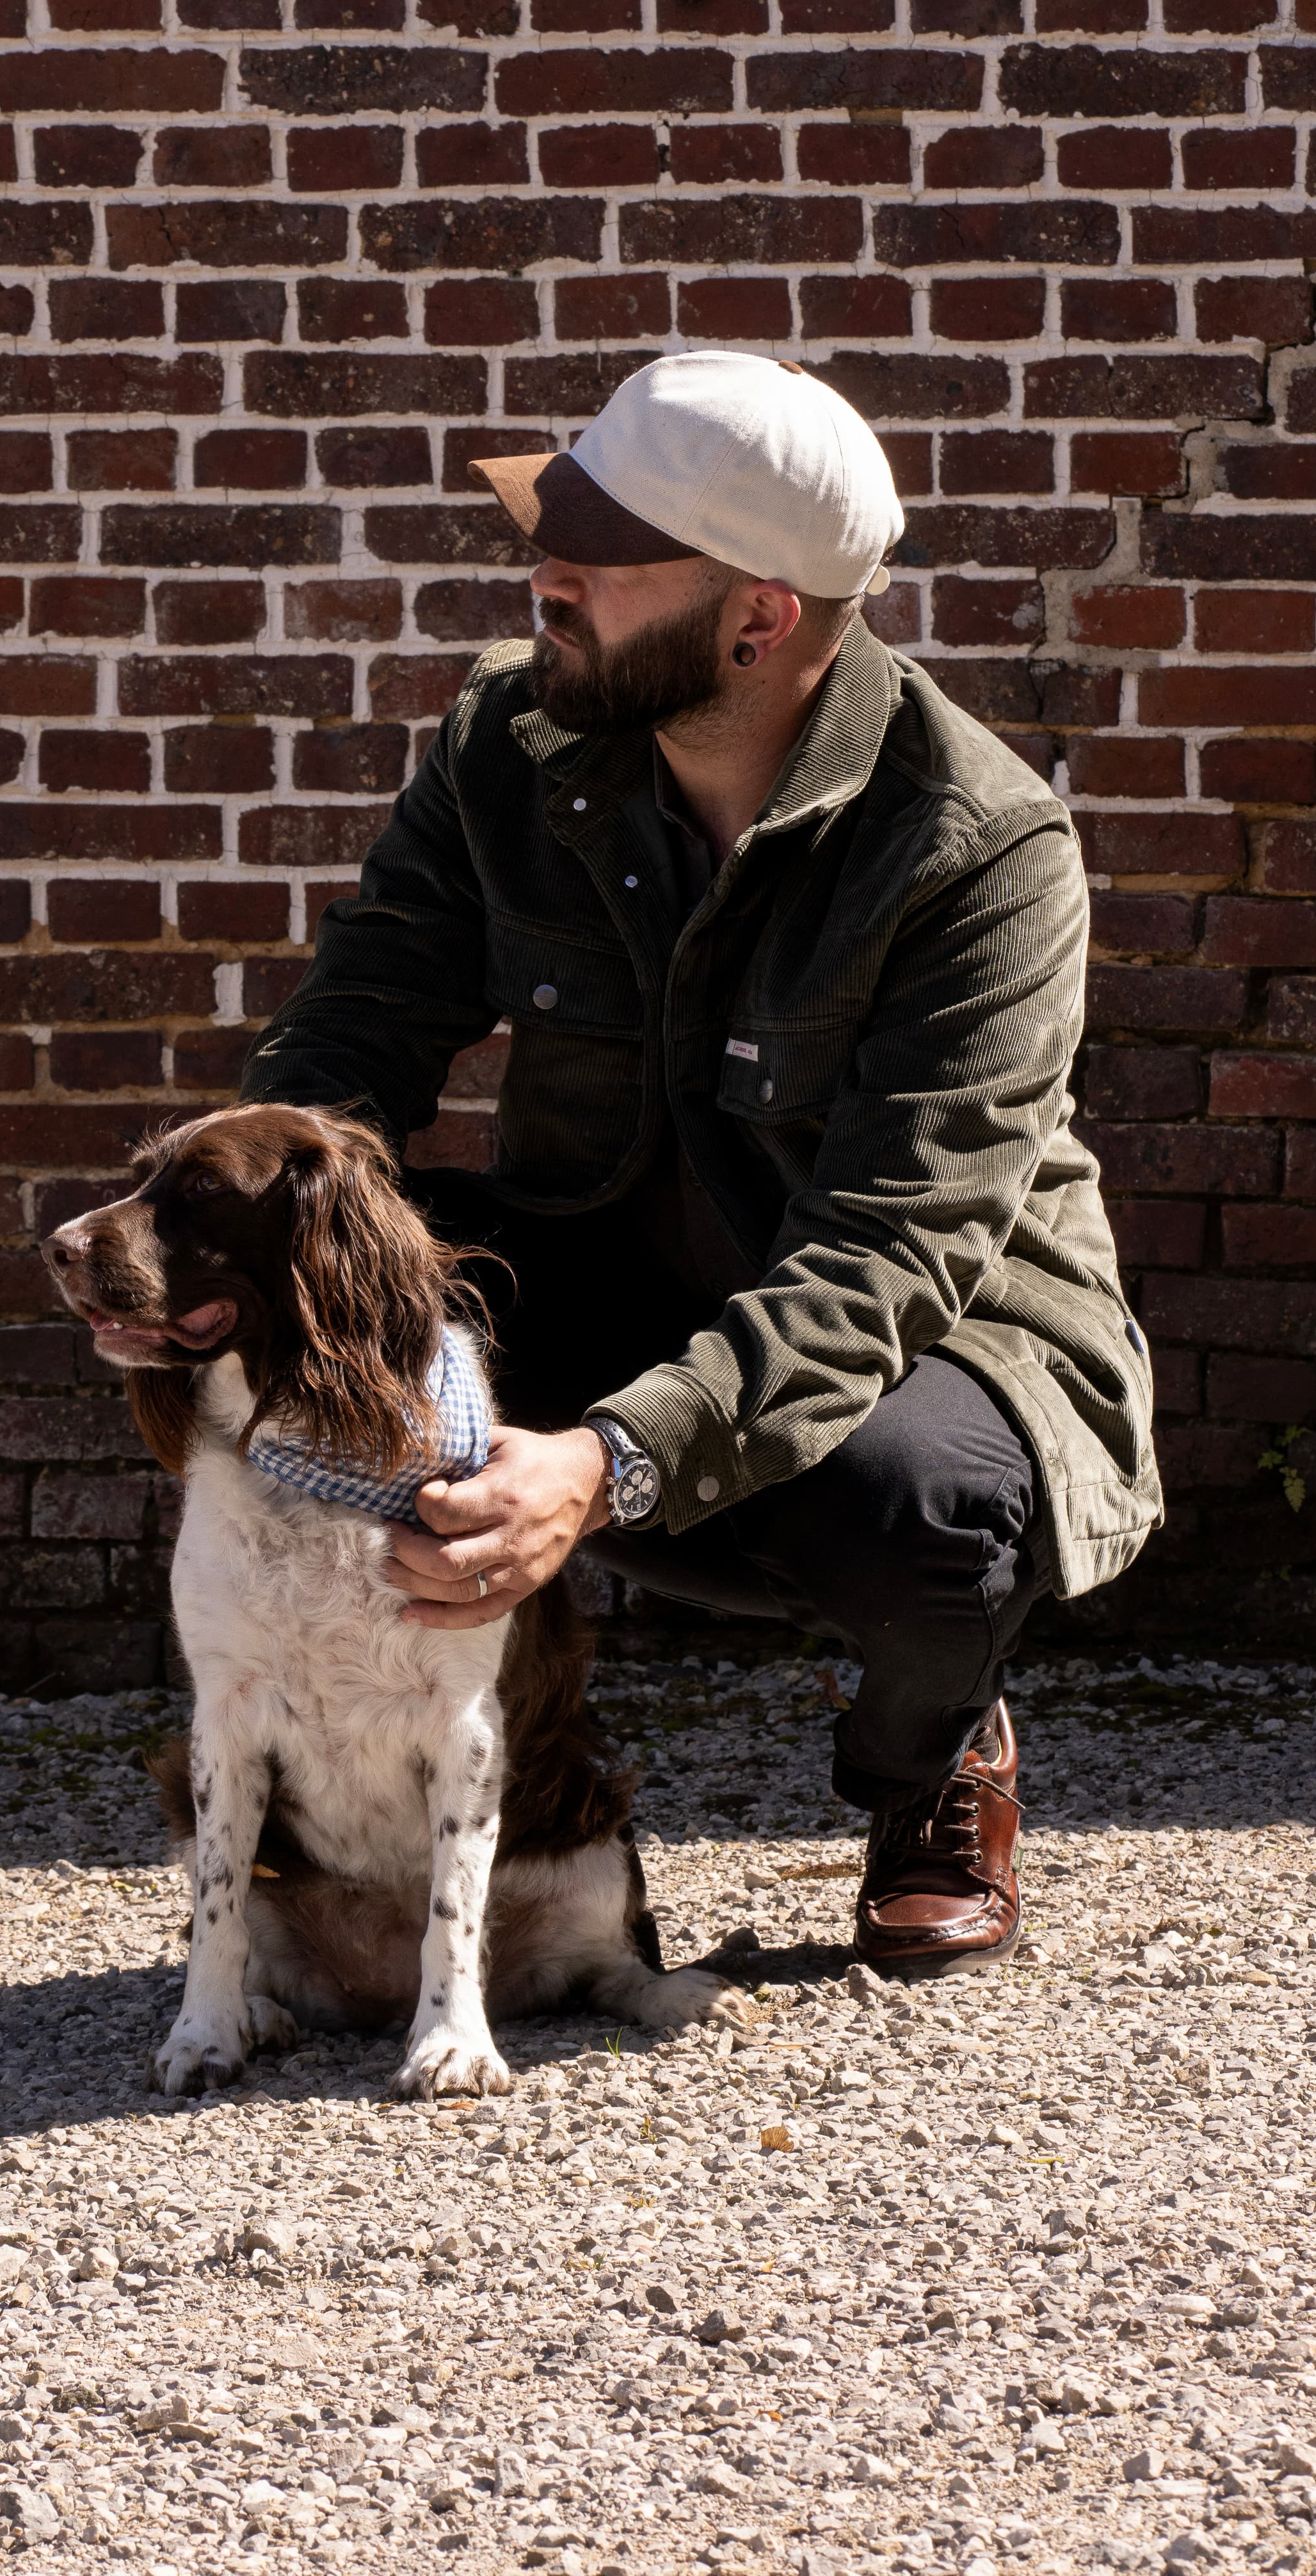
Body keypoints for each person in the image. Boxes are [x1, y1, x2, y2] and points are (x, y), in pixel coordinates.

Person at [238, 349, 1159, 1974]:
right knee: (309, 1313)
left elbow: (885, 1256)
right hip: (601, 1258)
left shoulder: (980, 849)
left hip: (916, 1335)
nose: (546, 578)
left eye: (599, 558)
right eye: (551, 535)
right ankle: (516, 1819)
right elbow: (356, 1036)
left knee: (936, 1514)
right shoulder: (511, 741)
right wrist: (249, 1246)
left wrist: (595, 1465)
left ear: (760, 620)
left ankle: (930, 1760)